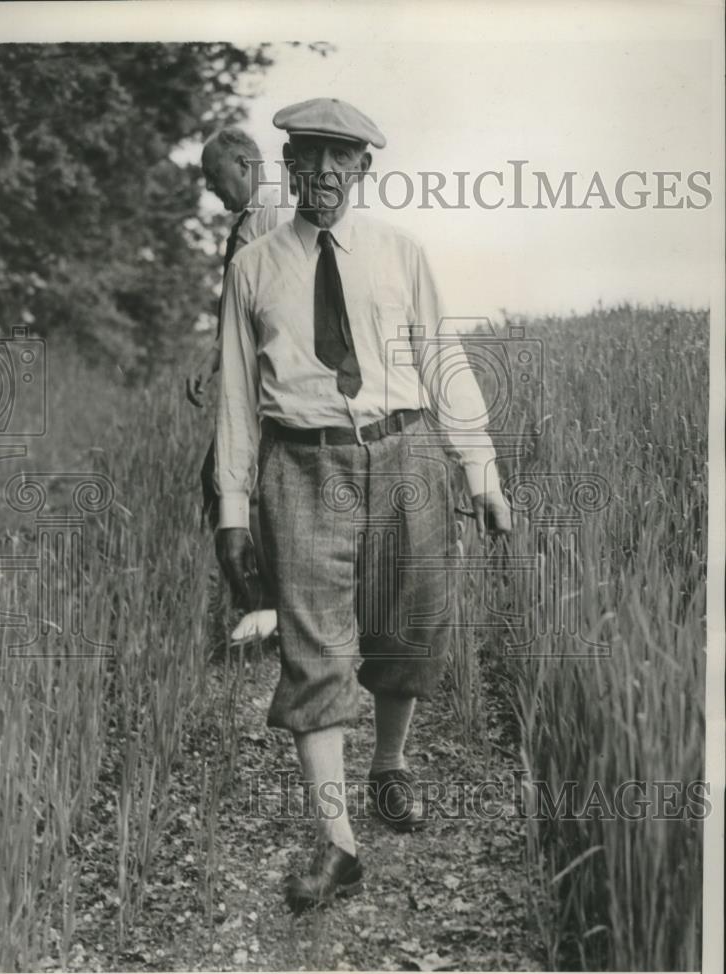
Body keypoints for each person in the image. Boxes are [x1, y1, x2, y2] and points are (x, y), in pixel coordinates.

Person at [214, 98, 512, 912]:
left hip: (406, 450)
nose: (320, 176)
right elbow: (238, 399)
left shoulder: (401, 254)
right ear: (286, 165)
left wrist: (479, 468)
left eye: (337, 161)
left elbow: (444, 361)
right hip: (301, 464)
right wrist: (231, 511)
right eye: (305, 159)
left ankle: (390, 765)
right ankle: (337, 846)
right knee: (315, 645)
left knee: (404, 624)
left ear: (363, 170)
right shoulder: (254, 266)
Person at [186, 125, 290, 639]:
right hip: (246, 369)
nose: (210, 187)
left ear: (245, 164)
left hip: (271, 378)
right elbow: (238, 311)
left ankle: (269, 611)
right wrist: (213, 357)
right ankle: (263, 607)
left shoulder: (278, 214)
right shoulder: (251, 220)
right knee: (226, 481)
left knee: (240, 482)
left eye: (214, 175)